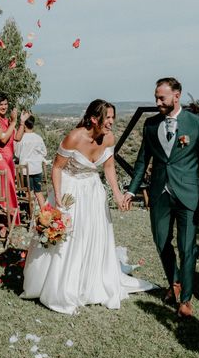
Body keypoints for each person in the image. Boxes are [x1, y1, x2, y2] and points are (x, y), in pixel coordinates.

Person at [22, 99, 155, 314]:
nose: (111, 122)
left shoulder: (109, 137)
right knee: (72, 237)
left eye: (113, 117)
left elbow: (109, 168)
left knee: (93, 234)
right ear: (94, 119)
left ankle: (90, 282)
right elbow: (56, 168)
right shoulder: (74, 137)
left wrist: (119, 195)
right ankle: (63, 285)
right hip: (70, 190)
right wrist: (58, 198)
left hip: (93, 191)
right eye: (108, 117)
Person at [124, 77, 199, 318]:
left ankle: (185, 299)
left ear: (177, 96)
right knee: (162, 242)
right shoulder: (151, 125)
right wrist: (131, 190)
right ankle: (174, 281)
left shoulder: (196, 123)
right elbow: (142, 161)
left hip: (188, 195)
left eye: (161, 98)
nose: (157, 102)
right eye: (156, 97)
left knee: (187, 248)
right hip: (159, 194)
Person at [0, 92, 19, 226]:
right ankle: (4, 222)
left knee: (9, 191)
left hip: (8, 159)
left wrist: (20, 123)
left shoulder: (6, 121)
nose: (4, 107)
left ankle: (5, 222)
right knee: (4, 192)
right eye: (1, 104)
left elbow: (16, 137)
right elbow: (3, 138)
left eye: (6, 104)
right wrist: (15, 122)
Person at [14, 112, 47, 209]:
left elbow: (17, 154)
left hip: (25, 171)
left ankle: (30, 213)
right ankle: (44, 214)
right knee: (39, 192)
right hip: (37, 170)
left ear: (24, 125)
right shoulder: (38, 138)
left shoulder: (21, 139)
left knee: (28, 193)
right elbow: (44, 153)